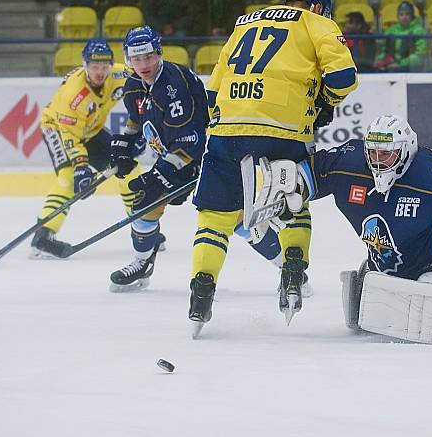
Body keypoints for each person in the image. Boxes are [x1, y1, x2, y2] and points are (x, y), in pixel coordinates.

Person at [248, 114, 432, 343]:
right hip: (389, 262)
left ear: (405, 151)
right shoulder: (351, 165)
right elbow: (317, 168)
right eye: (373, 152)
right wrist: (292, 184)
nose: (377, 161)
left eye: (386, 154)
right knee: (375, 283)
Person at [188, 0, 358, 329]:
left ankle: (201, 294)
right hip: (281, 128)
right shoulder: (316, 22)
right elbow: (343, 77)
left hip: (227, 129)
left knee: (215, 220)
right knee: (294, 203)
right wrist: (324, 101)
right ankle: (293, 271)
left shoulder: (246, 21)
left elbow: (212, 91)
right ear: (316, 5)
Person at [108, 25, 293, 291]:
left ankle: (289, 267)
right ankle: (142, 263)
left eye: (148, 57)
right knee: (146, 203)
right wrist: (125, 141)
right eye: (136, 59)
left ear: (159, 53)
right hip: (176, 157)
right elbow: (138, 117)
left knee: (237, 219)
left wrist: (161, 174)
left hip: (210, 156)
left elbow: (190, 142)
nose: (143, 64)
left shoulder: (173, 85)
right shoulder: (133, 84)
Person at [30, 40, 142, 259]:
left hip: (91, 130)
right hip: (58, 129)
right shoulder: (73, 94)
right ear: (85, 65)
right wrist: (81, 166)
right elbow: (70, 136)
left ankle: (140, 226)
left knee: (127, 167)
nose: (100, 72)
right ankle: (42, 235)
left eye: (104, 67)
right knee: (69, 177)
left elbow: (145, 81)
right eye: (94, 67)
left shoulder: (119, 74)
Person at [374, 1, 427, 72]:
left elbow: (420, 56)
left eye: (407, 14)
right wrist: (381, 61)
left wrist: (400, 64)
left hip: (411, 69)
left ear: (412, 16)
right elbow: (383, 50)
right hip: (390, 67)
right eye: (401, 14)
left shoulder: (419, 31)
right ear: (398, 16)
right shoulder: (391, 31)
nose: (404, 17)